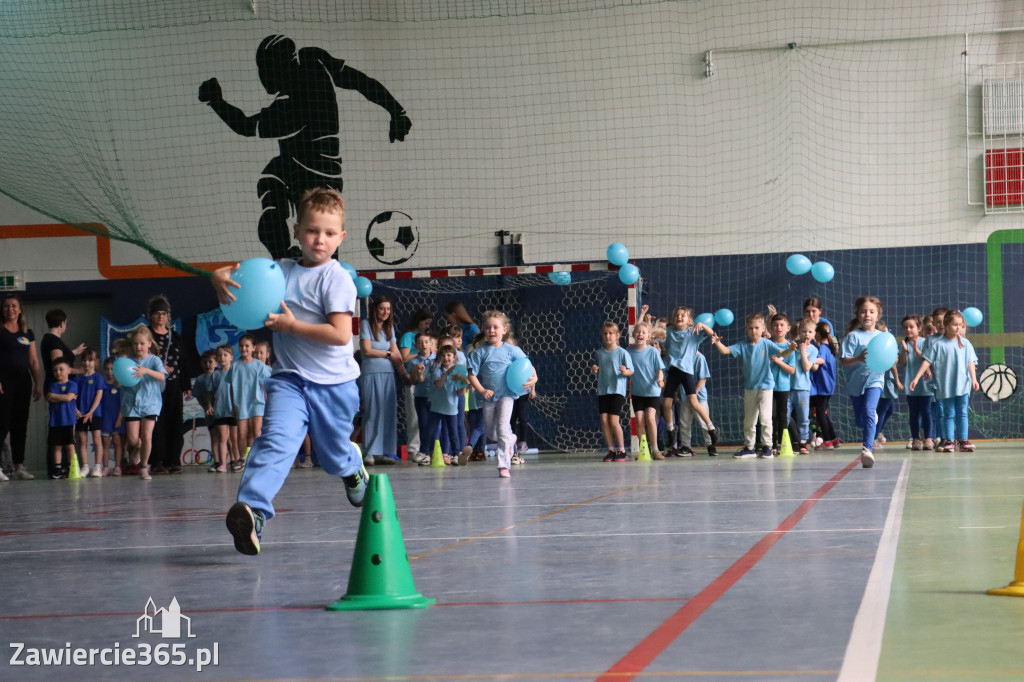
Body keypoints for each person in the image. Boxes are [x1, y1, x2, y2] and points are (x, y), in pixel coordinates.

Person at [213, 187, 368, 556]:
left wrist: (291, 326)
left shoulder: (336, 279)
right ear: (297, 231)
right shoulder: (278, 271)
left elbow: (341, 334)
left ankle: (351, 468)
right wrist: (216, 278)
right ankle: (254, 513)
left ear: (341, 237)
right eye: (313, 230)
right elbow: (233, 279)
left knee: (331, 457)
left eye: (330, 233)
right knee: (275, 443)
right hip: (289, 382)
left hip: (335, 385)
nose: (320, 239)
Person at [198, 35, 411, 259]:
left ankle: (293, 261)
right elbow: (359, 81)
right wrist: (396, 110)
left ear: (277, 68)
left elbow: (244, 126)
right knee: (272, 183)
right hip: (298, 165)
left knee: (316, 235)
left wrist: (216, 101)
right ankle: (286, 256)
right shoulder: (313, 60)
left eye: (265, 69)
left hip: (315, 176)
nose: (262, 77)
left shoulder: (291, 106)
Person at [710, 313, 792, 459]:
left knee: (766, 418)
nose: (753, 331)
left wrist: (791, 349)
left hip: (766, 386)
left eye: (756, 328)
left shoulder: (766, 343)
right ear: (746, 329)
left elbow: (783, 353)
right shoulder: (743, 345)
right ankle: (749, 447)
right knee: (749, 419)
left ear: (763, 329)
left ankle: (767, 446)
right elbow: (725, 350)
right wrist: (717, 342)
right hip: (750, 388)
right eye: (750, 328)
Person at [467, 311, 537, 478]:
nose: (492, 331)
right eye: (488, 327)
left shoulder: (512, 350)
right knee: (492, 433)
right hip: (489, 397)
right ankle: (512, 438)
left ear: (504, 330)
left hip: (507, 395)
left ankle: (503, 465)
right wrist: (481, 390)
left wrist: (535, 378)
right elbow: (471, 375)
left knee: (503, 427)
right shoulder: (479, 352)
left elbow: (528, 366)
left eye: (495, 327)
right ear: (483, 330)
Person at [909, 310, 979, 453]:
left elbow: (970, 362)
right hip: (946, 386)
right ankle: (949, 440)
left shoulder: (965, 343)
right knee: (949, 414)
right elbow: (926, 362)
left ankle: (963, 440)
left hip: (963, 385)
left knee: (962, 413)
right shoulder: (938, 344)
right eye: (955, 325)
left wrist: (974, 379)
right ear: (946, 325)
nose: (958, 328)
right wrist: (916, 378)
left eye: (960, 325)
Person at [359, 296, 409, 465]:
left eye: (388, 309)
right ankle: (369, 453)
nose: (385, 312)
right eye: (382, 308)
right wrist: (388, 354)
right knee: (373, 412)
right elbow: (366, 350)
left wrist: (404, 374)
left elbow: (397, 354)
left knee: (388, 413)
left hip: (389, 375)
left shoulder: (390, 328)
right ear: (375, 309)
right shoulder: (366, 324)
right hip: (371, 374)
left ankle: (382, 452)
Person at [661, 306, 719, 450]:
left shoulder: (693, 333)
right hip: (673, 371)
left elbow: (712, 334)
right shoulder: (669, 332)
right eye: (677, 315)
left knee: (694, 402)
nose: (679, 317)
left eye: (683, 315)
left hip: (687, 372)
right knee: (667, 404)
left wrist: (703, 325)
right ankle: (671, 430)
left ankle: (711, 428)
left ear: (689, 320)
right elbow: (656, 333)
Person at [839, 296, 885, 469]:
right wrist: (858, 358)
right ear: (858, 314)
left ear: (878, 315)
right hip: (855, 383)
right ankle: (870, 419)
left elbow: (888, 358)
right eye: (864, 311)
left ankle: (867, 449)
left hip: (875, 380)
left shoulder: (882, 337)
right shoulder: (853, 337)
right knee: (861, 419)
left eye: (872, 311)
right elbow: (844, 361)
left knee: (868, 410)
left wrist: (892, 359)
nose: (867, 315)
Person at [0, 293, 42, 480]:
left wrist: (38, 383)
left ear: (20, 309)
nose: (10, 309)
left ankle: (19, 466)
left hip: (23, 381)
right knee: (2, 423)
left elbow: (33, 360)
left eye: (14, 306)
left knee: (20, 424)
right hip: (4, 381)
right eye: (7, 306)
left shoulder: (27, 333)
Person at [147, 294, 190, 475]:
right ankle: (157, 461)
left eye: (163, 314)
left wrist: (186, 384)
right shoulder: (147, 336)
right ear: (151, 315)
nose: (160, 317)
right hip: (153, 386)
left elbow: (183, 362)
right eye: (157, 313)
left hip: (173, 385)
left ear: (168, 316)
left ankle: (173, 461)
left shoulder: (176, 337)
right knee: (157, 424)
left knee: (175, 423)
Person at [120, 326, 167, 480]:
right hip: (131, 403)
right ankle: (137, 446)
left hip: (150, 402)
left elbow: (161, 376)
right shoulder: (127, 361)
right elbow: (120, 378)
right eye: (135, 344)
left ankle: (144, 467)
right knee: (133, 439)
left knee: (147, 435)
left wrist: (146, 371)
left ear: (149, 344)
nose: (138, 347)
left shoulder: (154, 360)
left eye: (141, 343)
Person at [592, 321, 634, 462]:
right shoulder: (599, 353)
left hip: (617, 390)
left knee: (613, 420)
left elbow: (631, 370)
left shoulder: (622, 353)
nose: (608, 336)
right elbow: (599, 369)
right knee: (604, 420)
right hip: (603, 390)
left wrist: (625, 371)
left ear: (617, 335)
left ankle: (622, 450)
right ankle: (611, 449)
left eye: (611, 333)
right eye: (605, 333)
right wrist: (595, 370)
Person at [426, 343, 471, 465]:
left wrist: (465, 385)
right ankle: (427, 453)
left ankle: (456, 454)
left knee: (453, 432)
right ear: (439, 357)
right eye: (443, 355)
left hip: (451, 407)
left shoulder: (459, 372)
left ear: (454, 357)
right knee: (430, 430)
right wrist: (447, 373)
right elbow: (439, 385)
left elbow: (459, 392)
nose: (446, 358)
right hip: (437, 406)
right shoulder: (437, 370)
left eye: (449, 355)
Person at [398, 307, 433, 460]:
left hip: (428, 380)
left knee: (429, 415)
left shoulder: (428, 339)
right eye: (425, 323)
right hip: (413, 376)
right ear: (418, 322)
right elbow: (404, 357)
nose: (428, 326)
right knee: (414, 415)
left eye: (429, 324)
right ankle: (413, 448)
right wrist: (421, 354)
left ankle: (428, 448)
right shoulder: (408, 336)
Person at [627, 321, 665, 459]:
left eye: (643, 332)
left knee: (650, 417)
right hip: (637, 392)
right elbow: (625, 370)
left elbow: (659, 370)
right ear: (633, 335)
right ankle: (644, 449)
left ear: (648, 336)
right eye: (637, 332)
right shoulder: (628, 352)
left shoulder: (653, 351)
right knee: (639, 419)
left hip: (652, 391)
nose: (640, 334)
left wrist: (660, 380)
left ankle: (655, 449)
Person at [227, 335, 270, 452]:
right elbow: (231, 387)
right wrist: (233, 406)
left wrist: (267, 404)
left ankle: (258, 456)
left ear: (253, 348)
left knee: (257, 432)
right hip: (241, 404)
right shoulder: (235, 366)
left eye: (247, 345)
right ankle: (242, 459)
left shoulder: (259, 365)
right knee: (241, 433)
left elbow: (265, 386)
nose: (244, 348)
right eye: (241, 346)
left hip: (258, 403)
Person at [899, 314, 933, 451]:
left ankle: (929, 438)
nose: (908, 330)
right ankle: (916, 439)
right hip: (910, 385)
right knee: (913, 413)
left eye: (911, 327)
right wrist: (905, 352)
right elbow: (902, 363)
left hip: (925, 385)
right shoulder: (903, 344)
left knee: (926, 412)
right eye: (905, 327)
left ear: (919, 328)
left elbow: (928, 361)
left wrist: (917, 351)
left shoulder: (926, 342)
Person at [788, 318, 819, 454]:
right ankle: (790, 441)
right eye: (804, 331)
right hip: (788, 388)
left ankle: (803, 442)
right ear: (799, 332)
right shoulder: (792, 346)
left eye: (810, 332)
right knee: (785, 416)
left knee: (803, 417)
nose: (807, 334)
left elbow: (807, 367)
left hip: (803, 389)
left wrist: (802, 351)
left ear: (814, 334)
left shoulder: (813, 350)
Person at [75, 348, 107, 477]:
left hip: (95, 414)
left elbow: (98, 397)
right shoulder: (77, 379)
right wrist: (76, 410)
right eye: (84, 360)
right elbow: (73, 396)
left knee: (97, 440)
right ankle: (85, 466)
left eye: (90, 360)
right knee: (82, 441)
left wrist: (91, 412)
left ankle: (97, 467)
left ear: (96, 362)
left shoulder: (99, 378)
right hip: (80, 414)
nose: (87, 363)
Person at [768, 313, 797, 455]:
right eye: (775, 325)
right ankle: (770, 443)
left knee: (782, 416)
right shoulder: (766, 345)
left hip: (783, 387)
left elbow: (792, 370)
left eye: (781, 325)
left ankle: (782, 443)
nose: (778, 328)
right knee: (770, 416)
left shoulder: (790, 347)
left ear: (788, 328)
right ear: (771, 328)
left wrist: (779, 361)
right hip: (768, 387)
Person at [45, 358, 78, 479]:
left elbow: (68, 398)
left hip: (69, 420)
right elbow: (49, 398)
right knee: (56, 446)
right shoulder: (52, 385)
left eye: (61, 369)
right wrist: (61, 396)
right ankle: (58, 469)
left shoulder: (72, 384)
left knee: (69, 445)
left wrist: (55, 396)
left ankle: (71, 467)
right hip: (55, 421)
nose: (58, 372)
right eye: (55, 370)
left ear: (69, 370)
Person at [677, 350, 713, 456]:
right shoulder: (681, 358)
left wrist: (693, 393)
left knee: (704, 422)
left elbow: (703, 378)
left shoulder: (700, 358)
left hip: (699, 398)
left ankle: (710, 444)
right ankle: (686, 446)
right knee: (684, 423)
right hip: (685, 398)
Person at [810, 322, 839, 450]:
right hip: (828, 386)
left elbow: (821, 360)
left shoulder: (822, 348)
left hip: (823, 386)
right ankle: (834, 438)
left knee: (821, 413)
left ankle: (827, 440)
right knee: (823, 413)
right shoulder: (829, 348)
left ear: (817, 334)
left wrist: (808, 358)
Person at [40, 309, 85, 385]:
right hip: (59, 386)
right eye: (66, 323)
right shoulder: (54, 341)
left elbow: (62, 357)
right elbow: (59, 366)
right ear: (62, 324)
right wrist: (79, 370)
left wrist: (74, 352)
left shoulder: (49, 339)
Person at [214, 345, 240, 472]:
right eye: (220, 355)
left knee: (234, 439)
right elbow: (211, 392)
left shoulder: (235, 372)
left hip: (234, 411)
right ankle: (223, 463)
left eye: (225, 355)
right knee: (222, 438)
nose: (222, 357)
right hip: (220, 411)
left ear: (231, 357)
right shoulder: (215, 374)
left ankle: (237, 460)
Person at [100, 356, 125, 475]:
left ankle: (117, 467)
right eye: (107, 369)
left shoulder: (120, 387)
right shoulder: (101, 385)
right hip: (105, 420)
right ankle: (105, 467)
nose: (109, 372)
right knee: (105, 444)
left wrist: (119, 419)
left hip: (116, 420)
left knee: (117, 444)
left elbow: (123, 405)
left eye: (112, 369)